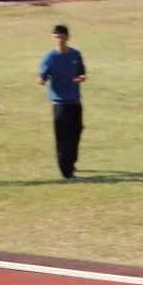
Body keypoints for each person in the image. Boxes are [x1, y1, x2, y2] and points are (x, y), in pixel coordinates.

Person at [37, 25, 86, 182]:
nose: (59, 40)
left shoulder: (76, 54)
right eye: (56, 37)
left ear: (67, 37)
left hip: (75, 101)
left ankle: (71, 163)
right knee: (62, 137)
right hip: (60, 103)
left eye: (61, 37)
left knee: (76, 132)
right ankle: (66, 172)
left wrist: (81, 78)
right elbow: (43, 74)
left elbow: (81, 72)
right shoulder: (50, 57)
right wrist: (41, 79)